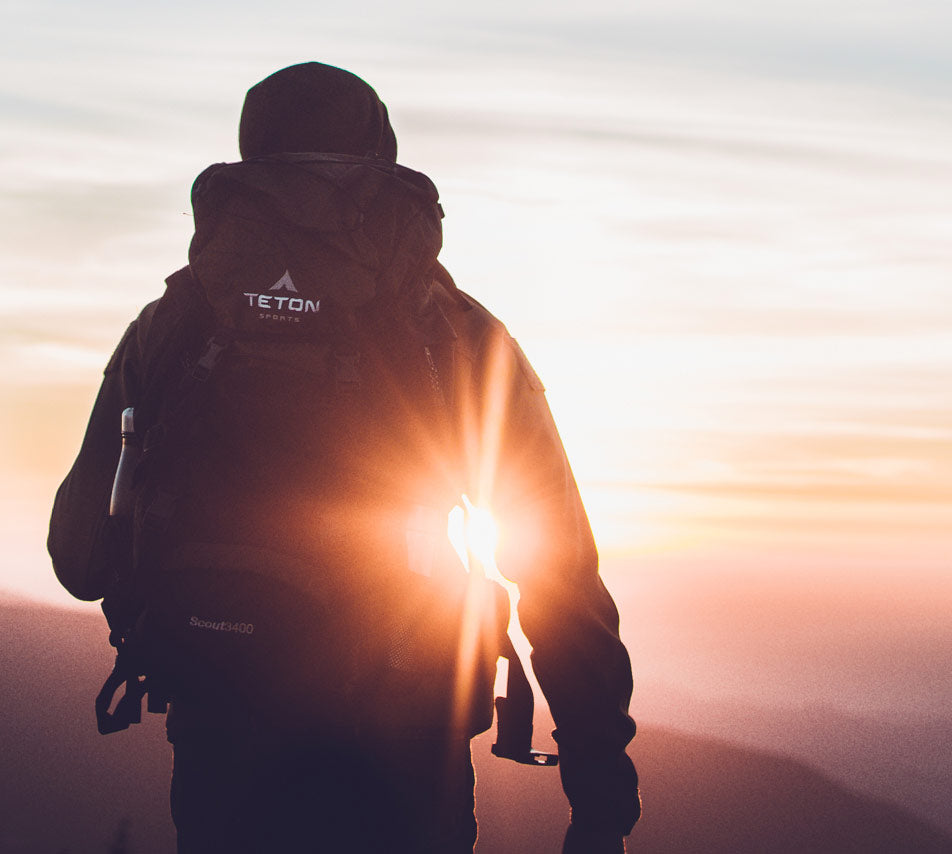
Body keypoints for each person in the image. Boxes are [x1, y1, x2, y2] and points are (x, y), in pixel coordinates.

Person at [49, 62, 639, 854]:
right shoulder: (452, 332)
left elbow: (81, 555)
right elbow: (560, 573)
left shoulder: (175, 325)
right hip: (406, 742)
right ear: (381, 160)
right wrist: (600, 801)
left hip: (223, 737)